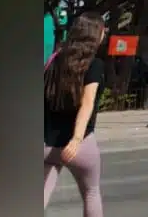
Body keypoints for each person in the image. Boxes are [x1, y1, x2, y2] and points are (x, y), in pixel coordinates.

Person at [44, 13, 108, 216]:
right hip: (79, 145)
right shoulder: (94, 64)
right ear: (95, 35)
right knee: (91, 192)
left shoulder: (54, 59)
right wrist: (77, 138)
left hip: (47, 143)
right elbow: (87, 103)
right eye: (103, 31)